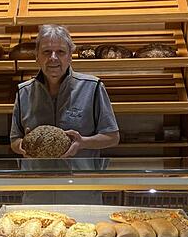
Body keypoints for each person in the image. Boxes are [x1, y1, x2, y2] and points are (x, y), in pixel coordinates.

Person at [10, 24, 120, 158]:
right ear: (37, 56)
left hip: (80, 176)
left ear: (70, 56)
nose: (53, 58)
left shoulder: (92, 88)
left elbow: (112, 137)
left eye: (60, 52)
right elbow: (14, 139)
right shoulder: (24, 92)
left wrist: (83, 143)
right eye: (46, 51)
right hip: (37, 176)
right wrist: (22, 145)